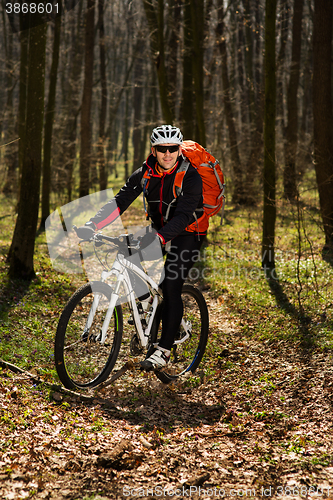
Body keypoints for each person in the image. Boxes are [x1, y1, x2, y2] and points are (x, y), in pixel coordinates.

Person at [77, 125, 207, 370]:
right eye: (161, 149)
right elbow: (120, 201)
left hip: (189, 232)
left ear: (179, 150)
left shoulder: (190, 177)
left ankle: (164, 350)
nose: (167, 154)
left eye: (172, 149)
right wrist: (93, 224)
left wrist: (159, 239)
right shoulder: (145, 174)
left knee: (170, 285)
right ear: (153, 150)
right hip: (160, 229)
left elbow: (183, 217)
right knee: (123, 249)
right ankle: (146, 300)